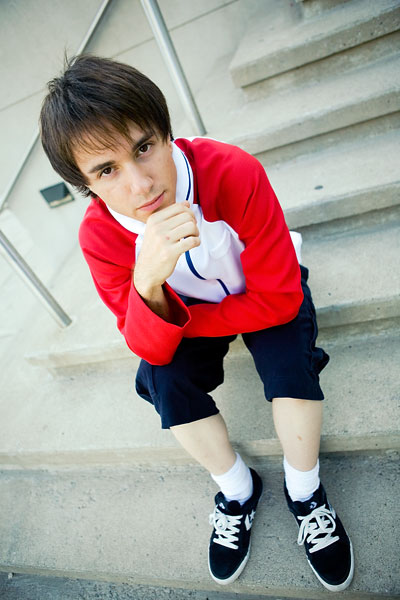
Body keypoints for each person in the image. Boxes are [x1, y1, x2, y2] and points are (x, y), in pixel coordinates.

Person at [39, 55, 354, 591]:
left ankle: (306, 493)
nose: (141, 184)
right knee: (162, 381)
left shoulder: (230, 170)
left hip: (262, 290)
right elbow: (146, 346)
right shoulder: (100, 236)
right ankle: (237, 489)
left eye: (143, 147)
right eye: (107, 170)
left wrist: (181, 324)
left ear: (166, 134)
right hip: (191, 310)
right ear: (86, 185)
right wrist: (146, 282)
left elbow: (278, 301)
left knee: (289, 365)